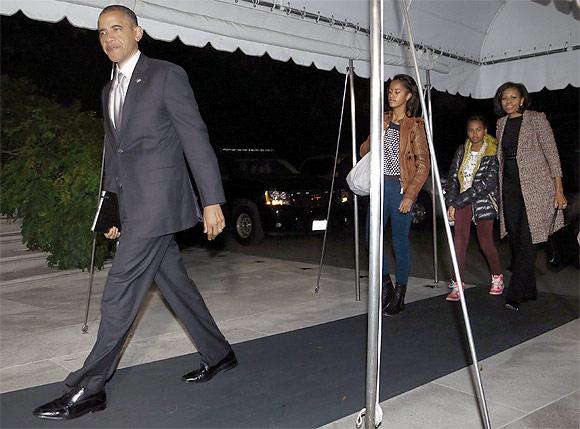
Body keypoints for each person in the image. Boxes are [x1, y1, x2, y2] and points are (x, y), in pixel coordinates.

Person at [33, 5, 236, 420]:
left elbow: (195, 137)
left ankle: (90, 387)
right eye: (102, 32)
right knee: (175, 283)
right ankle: (219, 353)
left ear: (137, 32)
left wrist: (211, 199)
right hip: (134, 203)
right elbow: (115, 153)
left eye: (117, 28)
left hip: (160, 203)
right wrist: (111, 209)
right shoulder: (109, 90)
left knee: (119, 291)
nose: (108, 37)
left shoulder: (166, 75)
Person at [360, 74, 430, 316]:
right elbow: (363, 151)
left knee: (399, 242)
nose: (392, 95)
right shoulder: (382, 121)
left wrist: (410, 195)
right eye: (390, 91)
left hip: (400, 190)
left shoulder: (415, 126)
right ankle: (386, 286)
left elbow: (423, 164)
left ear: (408, 96)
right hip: (379, 188)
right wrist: (376, 133)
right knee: (371, 240)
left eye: (397, 91)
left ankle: (400, 293)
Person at [495, 82, 567, 311]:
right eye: (504, 98)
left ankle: (514, 294)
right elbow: (501, 159)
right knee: (516, 239)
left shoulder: (537, 119)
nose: (509, 102)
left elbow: (552, 155)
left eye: (513, 97)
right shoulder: (500, 124)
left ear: (522, 99)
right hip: (510, 186)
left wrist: (559, 189)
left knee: (528, 238)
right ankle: (529, 289)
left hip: (537, 187)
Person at [444, 115, 503, 301]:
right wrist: (452, 202)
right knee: (459, 241)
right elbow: (453, 177)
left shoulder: (493, 151)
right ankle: (458, 282)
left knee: (485, 241)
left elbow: (488, 182)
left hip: (483, 201)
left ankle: (497, 276)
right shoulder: (462, 150)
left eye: (478, 129)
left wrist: (459, 201)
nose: (475, 133)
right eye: (471, 130)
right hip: (462, 200)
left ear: (485, 130)